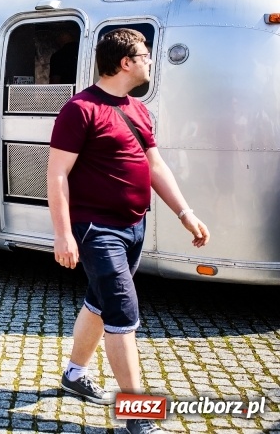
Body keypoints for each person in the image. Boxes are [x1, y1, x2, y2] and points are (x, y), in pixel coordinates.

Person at [47, 28, 210, 434]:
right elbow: (57, 175)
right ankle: (138, 414)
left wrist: (184, 212)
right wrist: (63, 233)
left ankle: (73, 374)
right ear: (126, 63)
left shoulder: (138, 110)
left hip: (134, 225)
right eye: (145, 55)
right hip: (97, 230)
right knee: (123, 310)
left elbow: (154, 167)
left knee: (100, 303)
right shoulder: (79, 109)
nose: (151, 61)